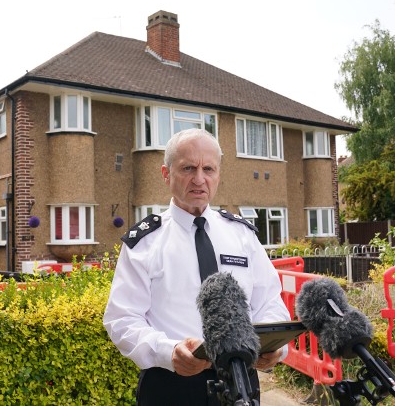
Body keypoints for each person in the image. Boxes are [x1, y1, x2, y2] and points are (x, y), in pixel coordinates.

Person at [103, 128, 291, 405]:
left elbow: (270, 302)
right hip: (171, 386)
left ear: (218, 174)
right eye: (188, 168)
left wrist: (274, 347)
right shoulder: (145, 242)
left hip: (241, 382)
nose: (199, 179)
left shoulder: (242, 235)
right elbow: (122, 320)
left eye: (209, 169)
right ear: (166, 174)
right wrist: (169, 352)